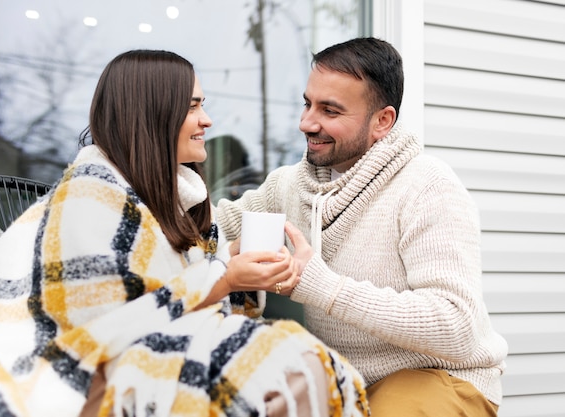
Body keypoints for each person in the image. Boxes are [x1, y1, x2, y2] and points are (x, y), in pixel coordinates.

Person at [0, 50, 369, 417]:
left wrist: (232, 261)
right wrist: (226, 278)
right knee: (294, 366)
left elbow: (172, 288)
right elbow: (102, 325)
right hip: (66, 373)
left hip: (135, 359)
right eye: (193, 107)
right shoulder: (91, 198)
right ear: (154, 114)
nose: (207, 120)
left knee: (297, 358)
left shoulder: (171, 196)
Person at [216, 37, 508, 416]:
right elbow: (208, 227)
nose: (307, 122)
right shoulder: (290, 186)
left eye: (330, 111)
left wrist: (321, 286)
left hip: (436, 376)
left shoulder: (428, 187)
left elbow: (456, 325)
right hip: (340, 377)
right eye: (307, 103)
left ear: (382, 121)